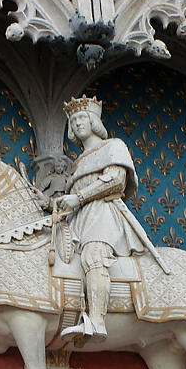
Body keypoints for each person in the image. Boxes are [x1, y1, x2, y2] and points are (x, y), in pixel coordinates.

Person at [57, 95, 167, 341]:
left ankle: (96, 322)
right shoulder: (77, 162)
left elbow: (116, 180)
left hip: (102, 213)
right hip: (79, 218)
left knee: (94, 255)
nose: (76, 123)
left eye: (81, 117)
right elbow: (73, 197)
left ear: (94, 120)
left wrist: (81, 197)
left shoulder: (113, 146)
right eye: (72, 121)